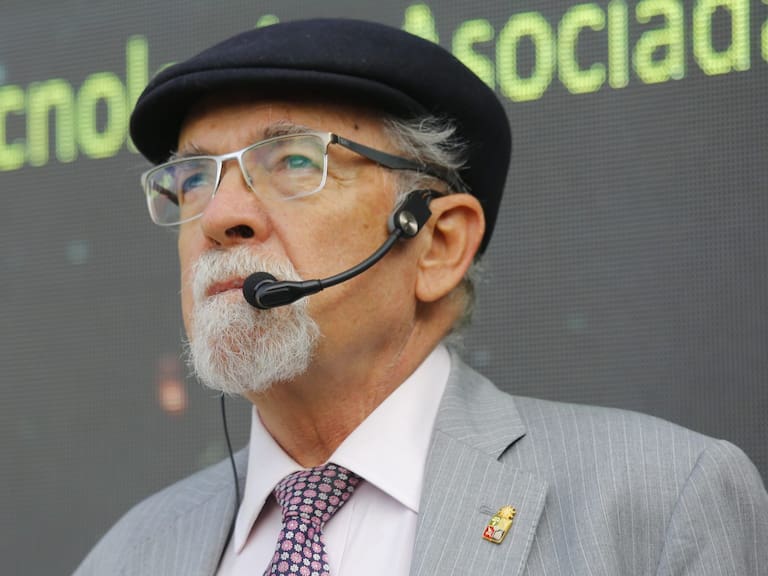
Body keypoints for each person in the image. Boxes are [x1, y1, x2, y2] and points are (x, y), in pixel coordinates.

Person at [74, 18, 768, 576]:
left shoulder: (660, 502)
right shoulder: (128, 555)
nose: (221, 216)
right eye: (194, 178)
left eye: (291, 160)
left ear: (437, 245)